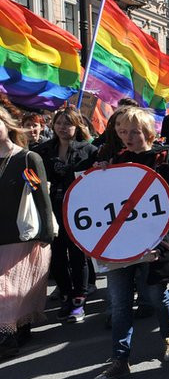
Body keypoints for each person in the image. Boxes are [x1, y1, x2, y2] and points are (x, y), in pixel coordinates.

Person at [90, 107, 169, 379]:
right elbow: (103, 203)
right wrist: (97, 176)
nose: (127, 137)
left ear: (148, 133)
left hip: (154, 245)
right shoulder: (116, 161)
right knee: (119, 303)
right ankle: (120, 359)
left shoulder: (165, 161)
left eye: (134, 132)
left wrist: (164, 245)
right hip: (119, 246)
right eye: (122, 132)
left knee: (156, 295)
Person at [0, 106, 56, 359]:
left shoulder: (26, 159)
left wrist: (46, 233)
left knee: (5, 291)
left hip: (21, 237)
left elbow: (40, 195)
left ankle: (6, 340)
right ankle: (18, 329)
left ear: (7, 124)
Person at [35, 107, 97, 323]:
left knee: (78, 255)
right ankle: (65, 295)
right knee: (56, 256)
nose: (62, 127)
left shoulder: (89, 150)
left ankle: (79, 299)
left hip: (78, 210)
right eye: (59, 123)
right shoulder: (42, 150)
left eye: (68, 123)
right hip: (51, 209)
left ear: (77, 126)